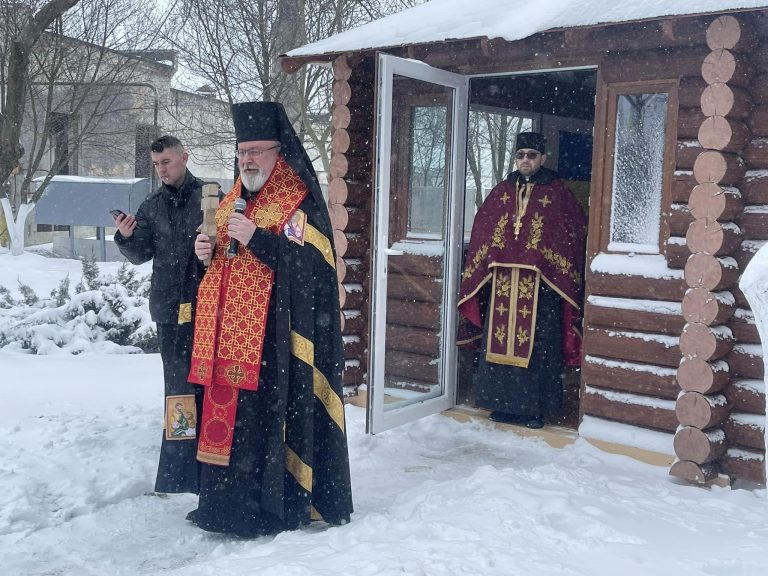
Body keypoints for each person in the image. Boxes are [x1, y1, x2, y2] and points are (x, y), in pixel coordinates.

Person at [188, 101, 353, 537]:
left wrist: (260, 239)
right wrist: (205, 256)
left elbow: (314, 269)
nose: (247, 160)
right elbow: (225, 264)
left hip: (271, 340)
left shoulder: (296, 200)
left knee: (257, 425)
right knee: (224, 420)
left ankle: (262, 509)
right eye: (242, 152)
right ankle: (221, 506)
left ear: (279, 152)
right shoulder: (232, 199)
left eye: (256, 151)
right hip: (224, 336)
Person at [458, 132, 586, 429]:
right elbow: (484, 228)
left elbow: (572, 233)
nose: (525, 160)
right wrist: (492, 259)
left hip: (543, 288)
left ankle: (534, 409)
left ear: (543, 158)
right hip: (503, 283)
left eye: (531, 155)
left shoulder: (558, 194)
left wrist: (543, 261)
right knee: (499, 341)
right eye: (520, 155)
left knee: (540, 348)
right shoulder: (502, 191)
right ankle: (502, 404)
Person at [113, 135, 205, 494]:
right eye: (156, 164)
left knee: (211, 385)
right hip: (168, 310)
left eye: (166, 161)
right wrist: (126, 237)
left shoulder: (212, 198)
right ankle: (180, 472)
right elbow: (141, 255)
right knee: (178, 388)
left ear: (184, 157)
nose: (161, 170)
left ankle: (214, 463)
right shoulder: (151, 206)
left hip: (208, 306)